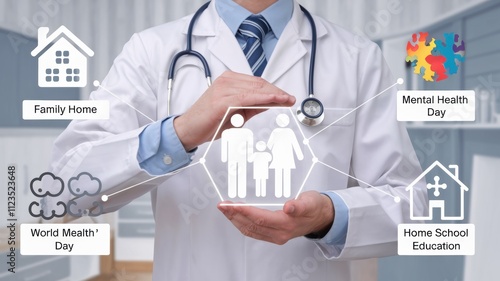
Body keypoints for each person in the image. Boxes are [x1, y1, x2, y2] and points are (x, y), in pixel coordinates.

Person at [49, 0, 428, 280]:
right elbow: (65, 189)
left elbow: (410, 206)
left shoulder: (357, 58)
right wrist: (178, 134)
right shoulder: (151, 52)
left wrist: (329, 216)